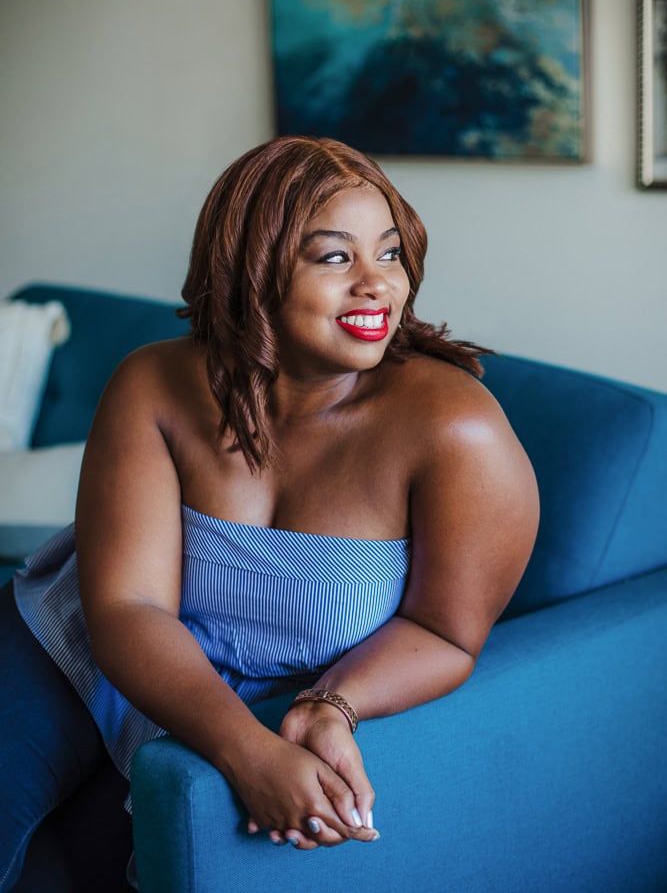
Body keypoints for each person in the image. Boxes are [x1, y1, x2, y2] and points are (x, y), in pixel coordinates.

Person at [0, 136, 539, 888]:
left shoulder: (458, 433)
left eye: (389, 254)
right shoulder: (154, 383)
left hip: (265, 695)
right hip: (71, 647)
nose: (377, 285)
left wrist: (331, 706)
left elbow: (445, 632)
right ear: (252, 271)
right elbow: (126, 604)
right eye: (332, 257)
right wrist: (246, 753)